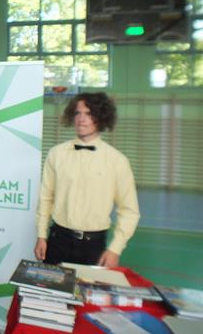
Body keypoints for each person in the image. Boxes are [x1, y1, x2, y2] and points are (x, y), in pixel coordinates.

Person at [34, 92, 140, 268]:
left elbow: (129, 210)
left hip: (94, 246)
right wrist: (41, 235)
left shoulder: (117, 161)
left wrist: (115, 249)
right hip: (57, 240)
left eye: (89, 114)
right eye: (78, 113)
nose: (81, 119)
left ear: (102, 117)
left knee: (89, 288)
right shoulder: (56, 154)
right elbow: (45, 198)